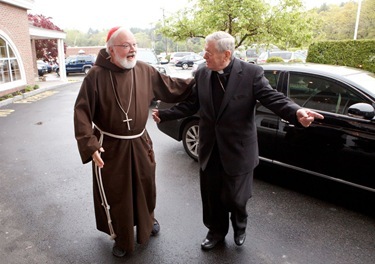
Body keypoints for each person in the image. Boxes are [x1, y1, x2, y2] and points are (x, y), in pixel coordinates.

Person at [152, 31, 324, 250]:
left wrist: (296, 112)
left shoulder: (251, 73)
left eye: (208, 52)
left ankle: (240, 224)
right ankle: (215, 232)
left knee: (236, 198)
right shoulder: (203, 73)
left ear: (226, 54)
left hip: (239, 150)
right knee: (212, 196)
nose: (204, 55)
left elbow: (273, 97)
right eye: (204, 50)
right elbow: (192, 104)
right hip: (210, 148)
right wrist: (165, 114)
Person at [73, 26, 194, 258]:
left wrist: (199, 80)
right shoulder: (95, 76)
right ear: (111, 50)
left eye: (134, 45)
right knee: (118, 194)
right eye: (126, 45)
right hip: (111, 145)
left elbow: (171, 86)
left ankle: (148, 221)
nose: (132, 50)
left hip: (140, 142)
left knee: (146, 186)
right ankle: (122, 236)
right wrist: (90, 145)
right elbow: (82, 112)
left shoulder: (145, 70)